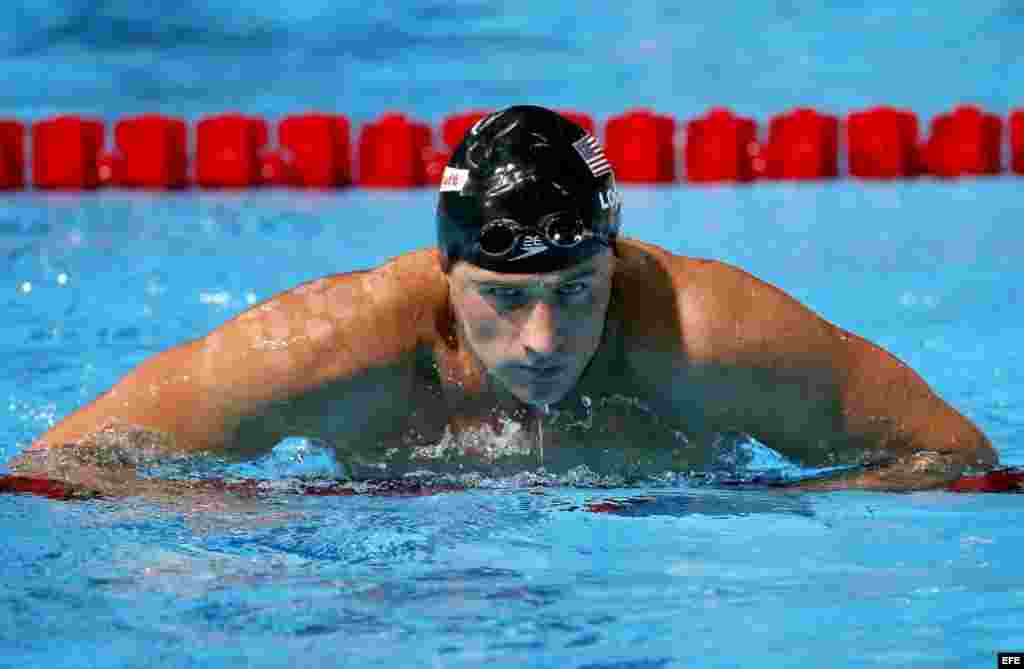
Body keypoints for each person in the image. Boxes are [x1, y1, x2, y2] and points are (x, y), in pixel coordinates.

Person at [14, 105, 997, 491]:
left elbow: (956, 460)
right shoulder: (332, 343)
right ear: (445, 275)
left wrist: (778, 517)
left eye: (575, 294)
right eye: (499, 298)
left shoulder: (711, 337)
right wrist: (220, 519)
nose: (538, 338)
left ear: (615, 266)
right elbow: (54, 473)